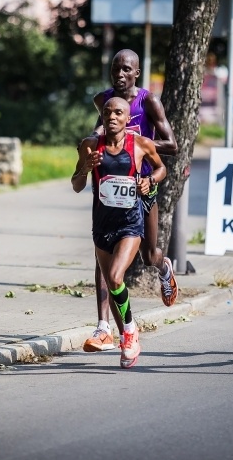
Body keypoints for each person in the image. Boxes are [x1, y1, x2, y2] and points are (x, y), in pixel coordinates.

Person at [82, 49, 179, 353]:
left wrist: (135, 140)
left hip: (143, 186)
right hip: (113, 185)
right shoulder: (104, 100)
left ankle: (164, 268)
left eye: (126, 70)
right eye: (115, 69)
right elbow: (99, 130)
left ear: (136, 73)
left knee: (148, 255)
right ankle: (103, 327)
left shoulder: (148, 101)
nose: (120, 75)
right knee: (105, 255)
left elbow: (172, 145)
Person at [72, 97, 167, 368]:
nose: (111, 116)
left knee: (114, 276)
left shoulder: (139, 144)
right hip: (102, 226)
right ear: (101, 117)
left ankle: (128, 333)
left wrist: (149, 180)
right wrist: (86, 168)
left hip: (130, 223)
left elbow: (161, 168)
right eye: (106, 112)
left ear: (128, 119)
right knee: (114, 287)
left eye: (118, 113)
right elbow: (76, 184)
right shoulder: (90, 146)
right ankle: (127, 331)